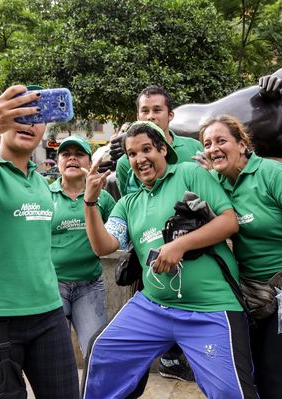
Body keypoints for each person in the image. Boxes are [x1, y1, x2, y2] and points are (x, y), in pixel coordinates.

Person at [82, 121, 257, 398]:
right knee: (103, 350)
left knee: (231, 391)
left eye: (147, 149)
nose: (140, 159)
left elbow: (229, 222)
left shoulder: (189, 173)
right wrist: (90, 203)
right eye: (132, 154)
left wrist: (180, 245)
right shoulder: (128, 203)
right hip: (153, 306)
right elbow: (103, 246)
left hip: (211, 308)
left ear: (163, 149)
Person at [0, 84, 79, 398]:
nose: (28, 123)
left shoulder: (40, 182)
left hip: (48, 314)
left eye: (37, 115)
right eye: (19, 114)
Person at [200, 115, 282, 399]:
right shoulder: (214, 182)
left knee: (272, 368)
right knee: (248, 368)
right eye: (207, 144)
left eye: (221, 141)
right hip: (254, 289)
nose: (213, 149)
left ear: (242, 144)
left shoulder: (271, 173)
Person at [112, 85, 203, 383]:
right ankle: (166, 358)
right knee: (153, 300)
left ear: (170, 115)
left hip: (196, 240)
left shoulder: (191, 148)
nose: (150, 115)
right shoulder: (126, 160)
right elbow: (130, 201)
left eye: (157, 110)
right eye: (144, 111)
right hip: (151, 244)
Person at [49, 135, 115, 356]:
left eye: (79, 154)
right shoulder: (45, 195)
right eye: (66, 154)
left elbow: (116, 232)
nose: (72, 159)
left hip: (89, 285)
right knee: (55, 354)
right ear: (58, 161)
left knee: (95, 351)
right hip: (52, 285)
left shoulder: (103, 198)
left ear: (89, 161)